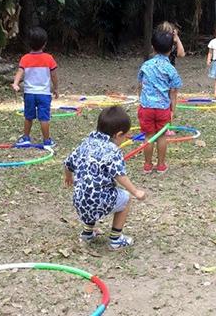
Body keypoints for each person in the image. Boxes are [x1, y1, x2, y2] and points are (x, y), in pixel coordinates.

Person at [64, 106, 147, 250]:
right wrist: (136, 192)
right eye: (125, 136)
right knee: (126, 198)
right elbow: (119, 175)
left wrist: (68, 177)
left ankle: (87, 233)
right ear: (118, 134)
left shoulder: (86, 143)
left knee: (91, 193)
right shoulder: (112, 150)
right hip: (98, 201)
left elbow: (67, 163)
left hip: (79, 200)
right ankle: (116, 239)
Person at [137, 30, 182, 173]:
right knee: (161, 136)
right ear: (171, 49)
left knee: (148, 136)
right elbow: (174, 91)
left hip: (147, 107)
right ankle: (161, 165)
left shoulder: (146, 66)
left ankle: (147, 165)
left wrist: (142, 100)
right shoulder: (171, 69)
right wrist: (172, 110)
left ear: (153, 47)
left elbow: (140, 85)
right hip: (163, 108)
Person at [12, 27, 59, 150]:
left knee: (28, 116)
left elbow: (19, 72)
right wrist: (56, 88)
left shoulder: (25, 58)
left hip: (29, 94)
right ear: (44, 43)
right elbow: (54, 75)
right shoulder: (49, 58)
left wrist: (16, 83)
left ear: (29, 43)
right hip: (44, 94)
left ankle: (26, 138)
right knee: (44, 118)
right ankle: (47, 141)